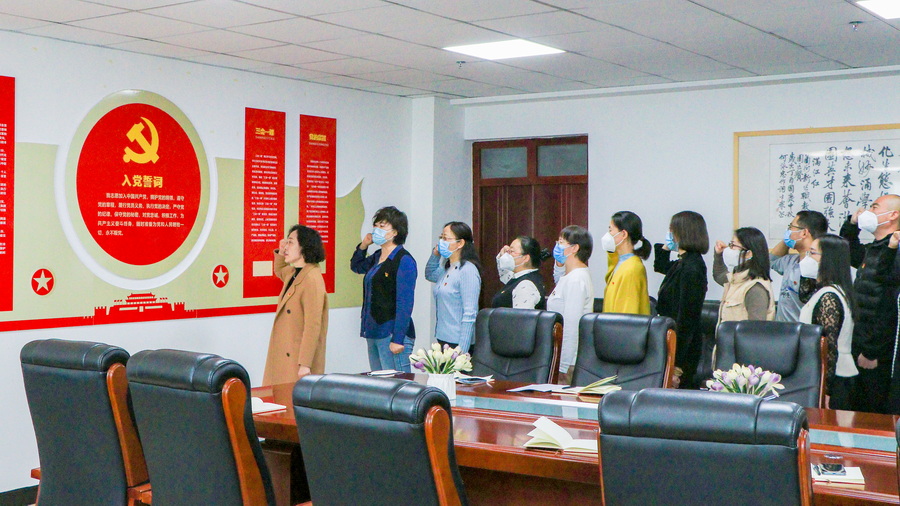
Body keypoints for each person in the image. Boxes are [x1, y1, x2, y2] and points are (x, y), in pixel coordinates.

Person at [840, 195, 900, 414]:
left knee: (872, 409)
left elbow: (887, 304)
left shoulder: (894, 251)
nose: (868, 212)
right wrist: (851, 224)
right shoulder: (874, 248)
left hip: (877, 348)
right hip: (860, 338)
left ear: (893, 215)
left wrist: (872, 350)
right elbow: (846, 250)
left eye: (874, 207)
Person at [798, 233, 861, 410]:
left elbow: (829, 346)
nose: (808, 258)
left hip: (835, 379)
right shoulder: (826, 290)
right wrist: (807, 274)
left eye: (812, 253)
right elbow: (804, 295)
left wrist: (826, 390)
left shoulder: (830, 297)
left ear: (828, 260)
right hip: (824, 375)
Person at [350, 206, 416, 372]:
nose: (376, 230)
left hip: (391, 333)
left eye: (382, 226)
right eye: (376, 225)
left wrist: (398, 339)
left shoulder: (404, 260)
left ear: (395, 232)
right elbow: (356, 266)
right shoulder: (377, 256)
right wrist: (364, 245)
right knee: (379, 381)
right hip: (373, 330)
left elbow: (405, 302)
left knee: (396, 382)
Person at [262, 224, 328, 386]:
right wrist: (281, 251)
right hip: (286, 353)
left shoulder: (311, 279)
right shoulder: (295, 273)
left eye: (290, 242)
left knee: (290, 398)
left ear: (304, 247)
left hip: (297, 359)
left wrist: (305, 364)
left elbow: (313, 325)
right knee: (277, 396)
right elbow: (280, 269)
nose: (286, 246)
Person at [653, 211, 709, 389]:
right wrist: (665, 248)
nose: (669, 234)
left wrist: (676, 366)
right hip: (673, 341)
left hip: (683, 349)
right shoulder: (683, 261)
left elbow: (687, 319)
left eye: (672, 230)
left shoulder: (692, 267)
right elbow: (661, 266)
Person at [425, 221, 482, 354]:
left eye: (446, 238)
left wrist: (461, 351)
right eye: (441, 238)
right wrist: (435, 254)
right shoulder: (448, 267)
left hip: (458, 342)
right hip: (442, 338)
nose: (441, 242)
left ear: (460, 243)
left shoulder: (467, 270)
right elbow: (430, 274)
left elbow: (470, 313)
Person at [547, 225, 594, 384]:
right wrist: (559, 264)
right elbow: (559, 278)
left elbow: (571, 326)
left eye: (561, 243)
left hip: (568, 361)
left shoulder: (576, 279)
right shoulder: (570, 276)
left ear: (574, 248)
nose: (557, 246)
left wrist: (563, 366)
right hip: (561, 355)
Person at [770, 210, 829, 322]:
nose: (788, 231)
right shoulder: (791, 261)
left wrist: (791, 237)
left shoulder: (817, 267)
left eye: (791, 227)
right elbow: (772, 260)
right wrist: (788, 239)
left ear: (804, 233)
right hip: (782, 330)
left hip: (802, 331)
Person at [713, 227, 775, 323]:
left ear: (749, 254)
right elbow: (719, 275)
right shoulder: (738, 278)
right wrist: (718, 255)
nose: (729, 249)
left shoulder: (756, 288)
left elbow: (756, 329)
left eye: (733, 245)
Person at [602, 211, 651, 315]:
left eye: (610, 230)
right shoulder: (620, 263)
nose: (608, 235)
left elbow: (628, 314)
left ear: (623, 234)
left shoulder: (632, 269)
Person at [492, 235, 549, 309]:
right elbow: (505, 275)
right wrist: (501, 256)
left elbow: (521, 315)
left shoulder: (526, 285)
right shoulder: (519, 277)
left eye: (511, 251)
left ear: (525, 258)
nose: (508, 255)